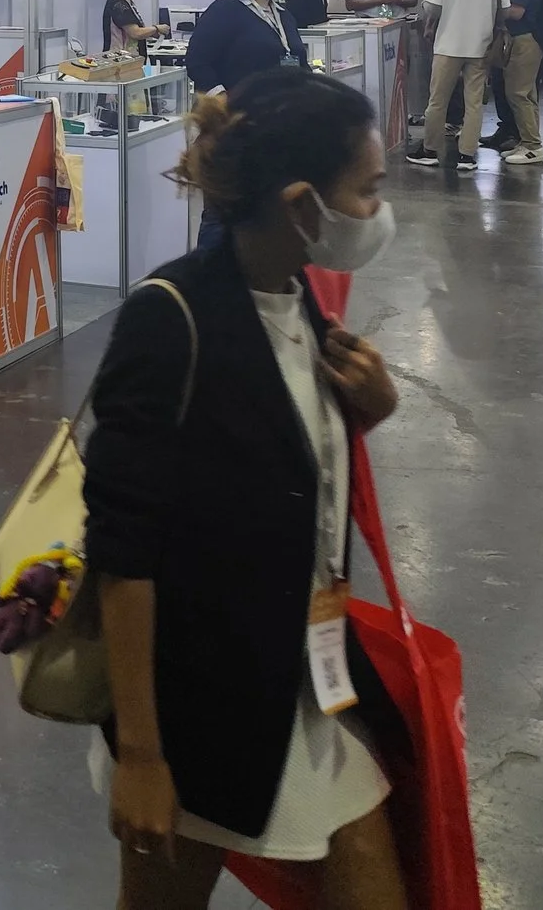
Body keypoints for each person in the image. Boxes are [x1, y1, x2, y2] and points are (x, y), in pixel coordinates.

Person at [86, 68, 404, 907]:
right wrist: (143, 754)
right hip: (200, 707)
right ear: (302, 204)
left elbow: (282, 467)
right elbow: (123, 552)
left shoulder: (299, 302)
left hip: (308, 679)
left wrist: (366, 411)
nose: (379, 211)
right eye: (367, 189)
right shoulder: (172, 318)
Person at [406, 0, 498, 169]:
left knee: (438, 101)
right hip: (481, 46)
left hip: (448, 46)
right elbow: (504, 10)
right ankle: (467, 155)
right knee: (474, 103)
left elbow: (431, 8)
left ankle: (430, 150)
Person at [186, 0, 307, 97]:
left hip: (285, 106)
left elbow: (301, 62)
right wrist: (221, 98)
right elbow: (197, 62)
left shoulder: (283, 15)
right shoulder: (225, 10)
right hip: (241, 108)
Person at [488, 0, 543, 167]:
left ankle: (533, 146)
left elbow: (516, 12)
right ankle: (528, 140)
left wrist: (493, 8)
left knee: (518, 93)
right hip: (526, 39)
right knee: (527, 94)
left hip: (525, 40)